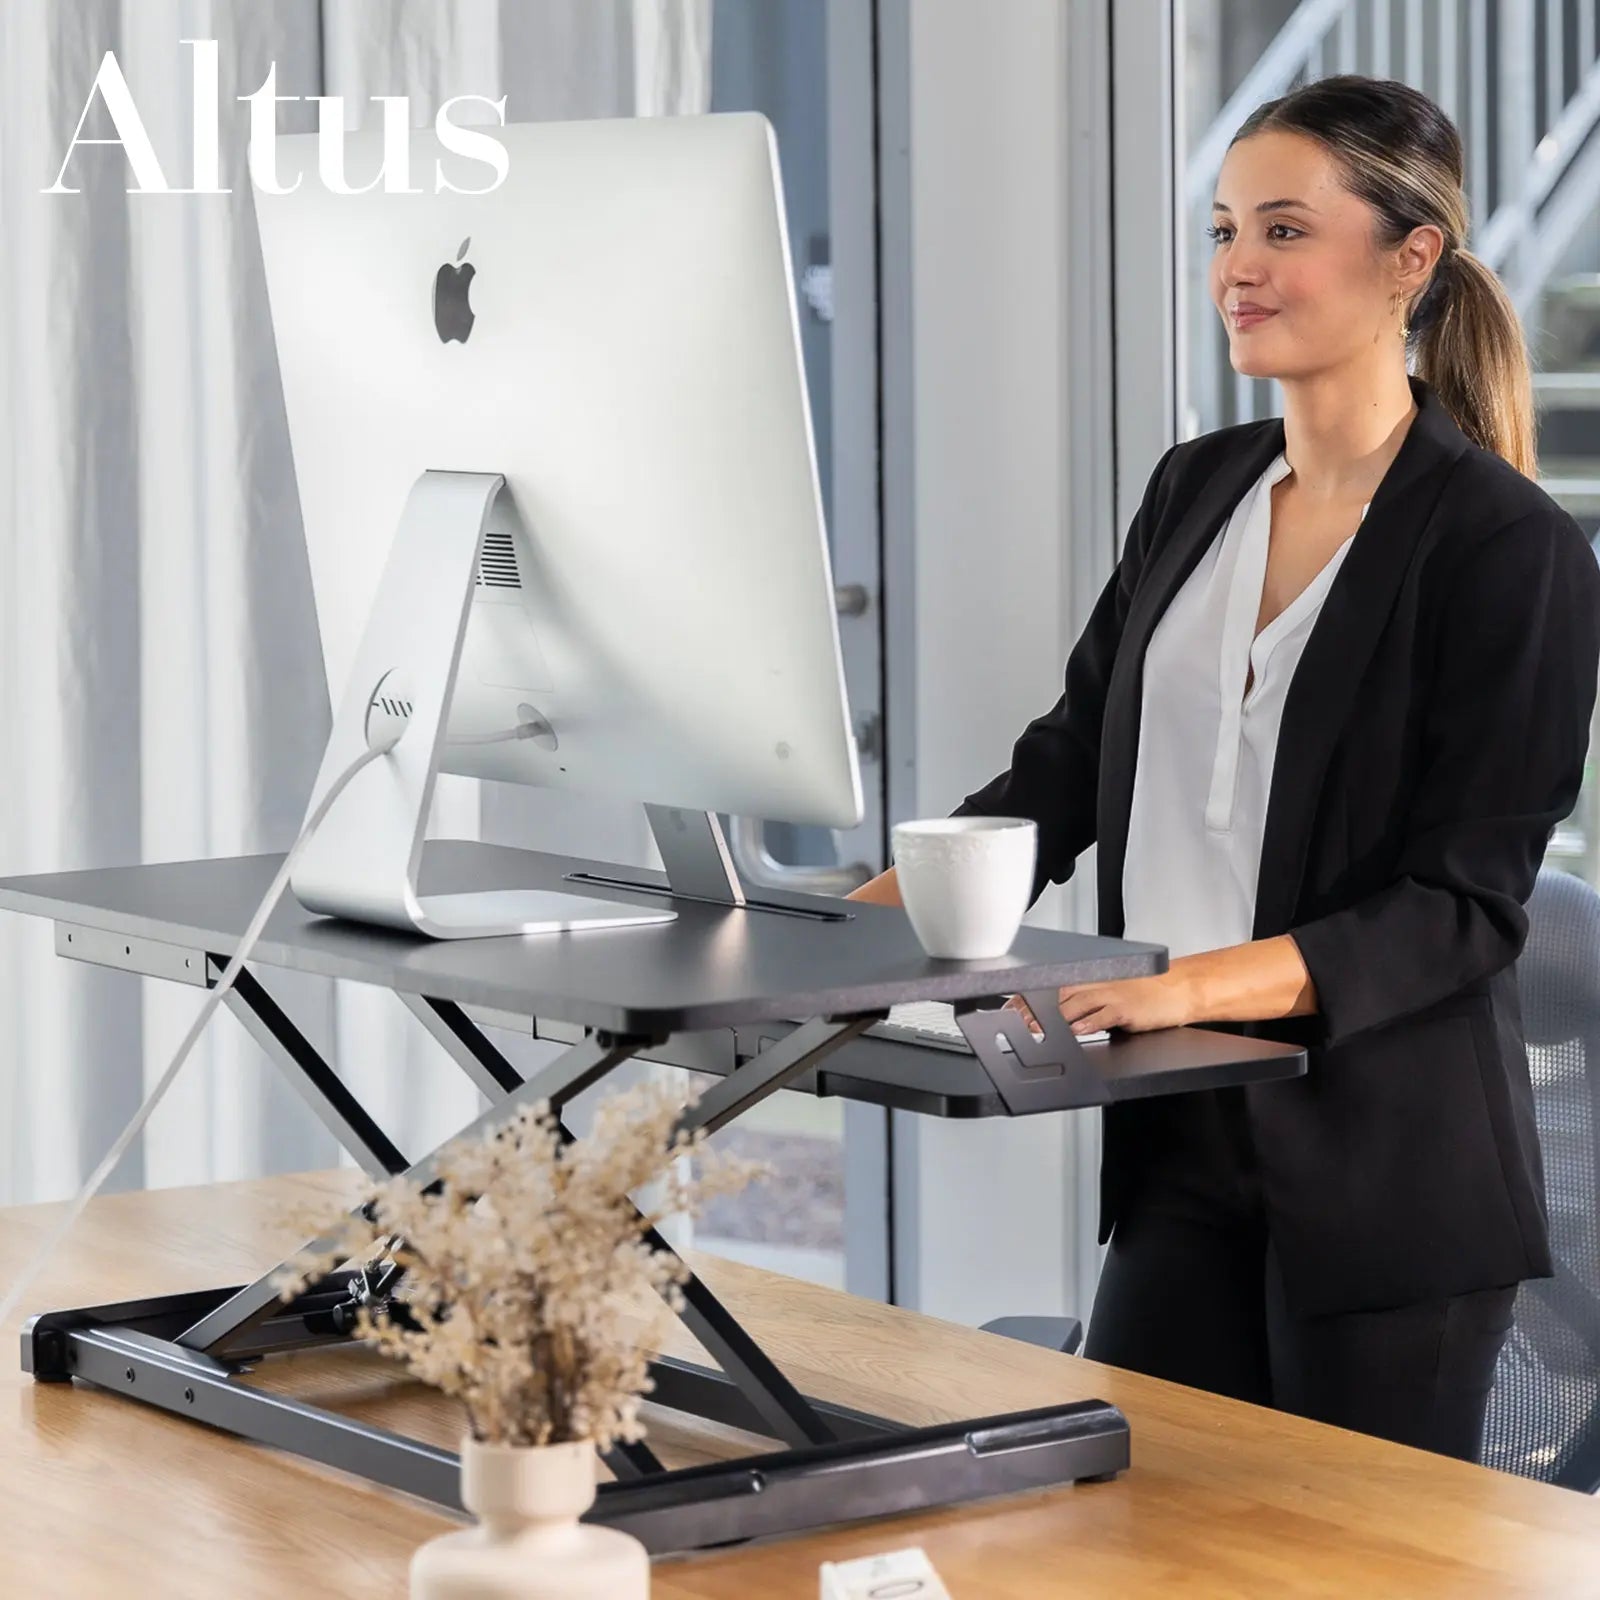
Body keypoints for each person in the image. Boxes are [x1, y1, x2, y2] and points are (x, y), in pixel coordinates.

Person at [846, 74, 1600, 1464]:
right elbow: (1065, 771)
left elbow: (1461, 905)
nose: (1236, 267)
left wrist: (1176, 987)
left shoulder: (1509, 550)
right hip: (1179, 1134)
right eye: (1221, 229)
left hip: (1389, 1179)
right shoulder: (1197, 490)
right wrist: (854, 921)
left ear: (1408, 259)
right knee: (1135, 1528)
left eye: (1284, 230)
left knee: (1337, 1569)